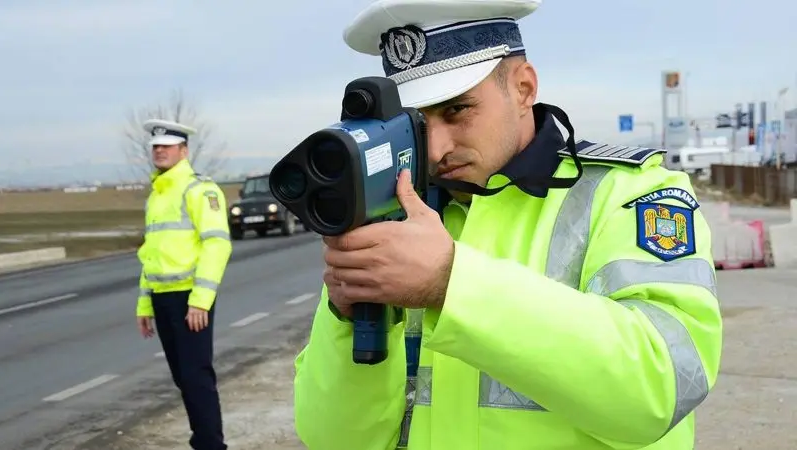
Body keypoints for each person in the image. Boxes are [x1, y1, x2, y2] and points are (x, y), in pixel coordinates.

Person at [293, 0, 723, 449]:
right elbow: (334, 439)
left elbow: (662, 389)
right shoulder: (396, 219)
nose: (437, 149)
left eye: (457, 110)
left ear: (522, 88)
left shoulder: (629, 194)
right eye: (418, 125)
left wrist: (450, 283)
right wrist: (346, 321)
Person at [136, 118, 232, 450]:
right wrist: (144, 304)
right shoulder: (157, 195)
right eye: (155, 147)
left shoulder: (198, 189)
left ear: (183, 150)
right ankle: (202, 440)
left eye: (166, 145)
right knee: (183, 379)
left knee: (196, 378)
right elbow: (150, 255)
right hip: (162, 299)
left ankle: (211, 445)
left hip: (189, 300)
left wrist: (200, 300)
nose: (159, 151)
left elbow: (217, 244)